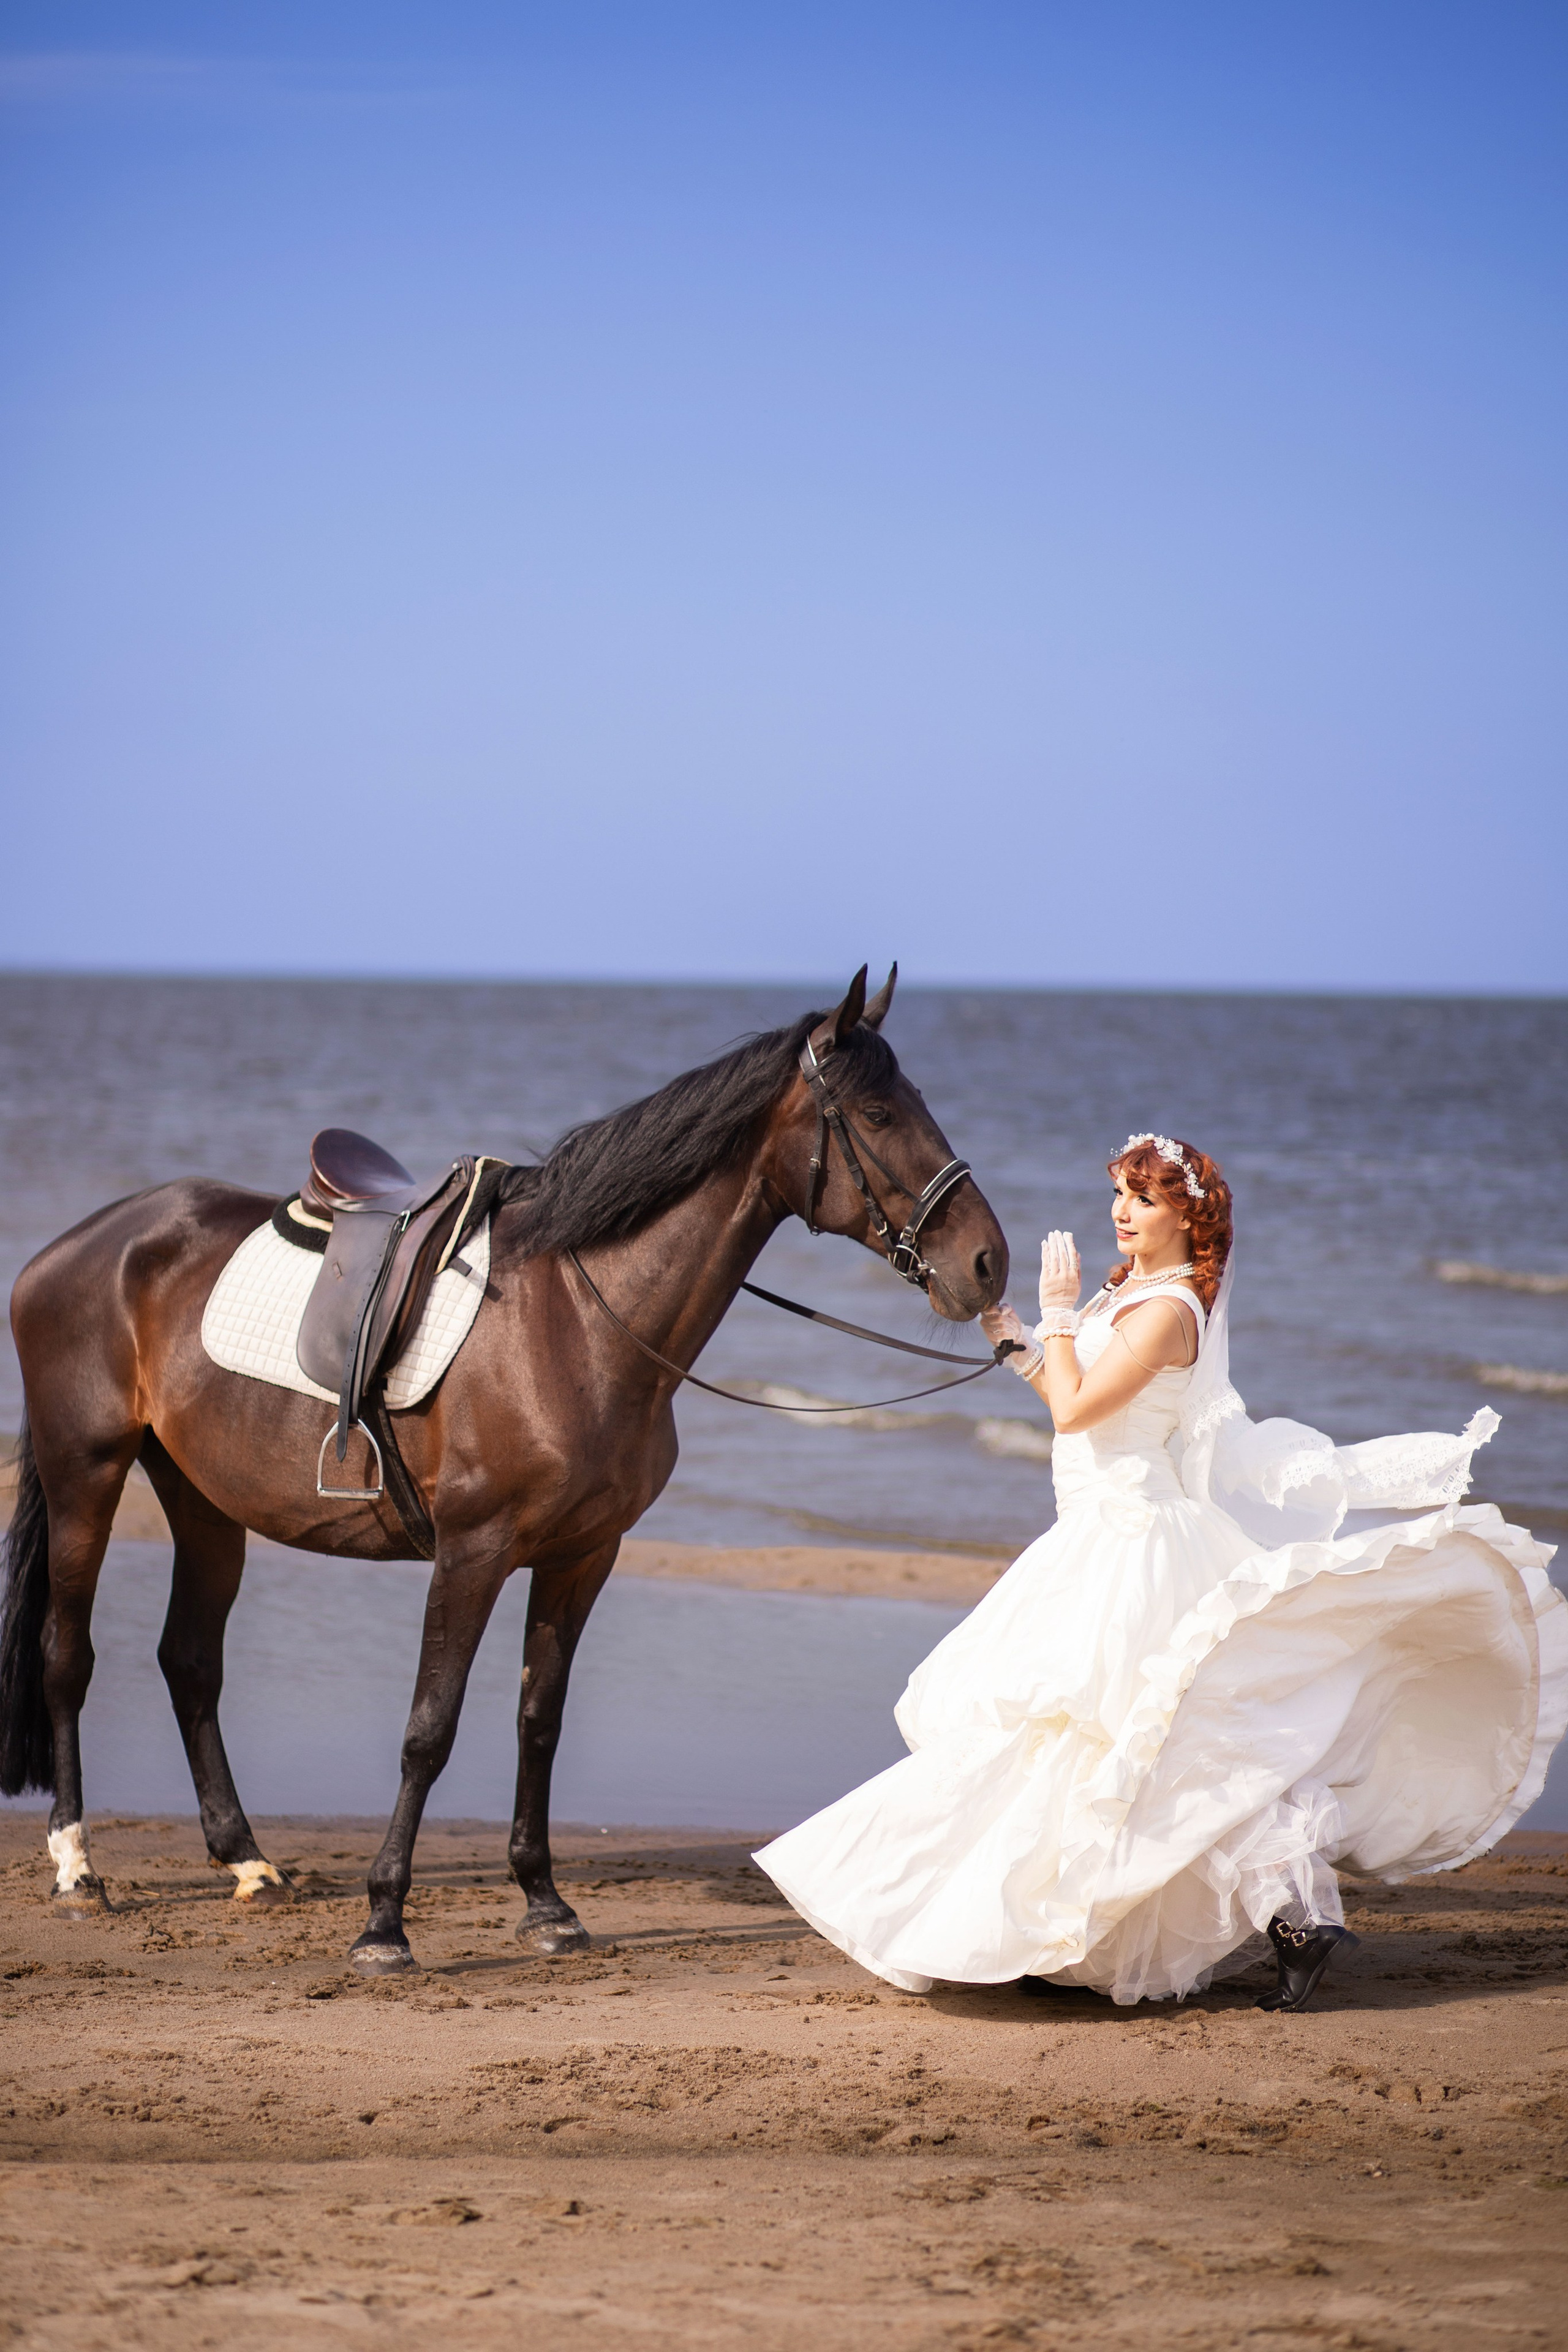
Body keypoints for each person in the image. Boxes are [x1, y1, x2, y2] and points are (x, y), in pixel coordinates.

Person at [755, 1134, 1567, 2011]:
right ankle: (1140, 1927)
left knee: (1152, 1743)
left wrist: (1059, 1312)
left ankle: (1284, 1922)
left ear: (1187, 1215)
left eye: (1141, 1200)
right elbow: (1077, 1403)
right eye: (1118, 1195)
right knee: (1116, 1744)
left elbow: (1075, 1411)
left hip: (1137, 1544)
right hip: (1097, 1533)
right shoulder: (1133, 1293)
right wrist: (1019, 1343)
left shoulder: (1173, 1309)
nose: (1120, 1213)